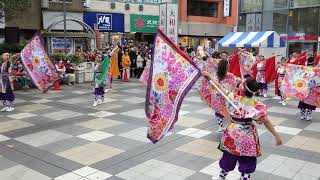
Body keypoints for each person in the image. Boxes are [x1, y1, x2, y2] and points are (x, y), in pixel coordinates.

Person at [202, 73, 282, 180]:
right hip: (249, 133)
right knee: (247, 159)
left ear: (243, 88)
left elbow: (219, 87)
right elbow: (266, 121)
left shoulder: (234, 98)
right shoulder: (258, 105)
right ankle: (244, 178)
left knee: (229, 156)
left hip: (233, 132)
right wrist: (276, 136)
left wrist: (208, 76)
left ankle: (221, 177)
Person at [298, 56, 317, 121]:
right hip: (312, 88)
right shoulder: (315, 69)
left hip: (303, 87)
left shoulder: (303, 69)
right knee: (310, 102)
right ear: (313, 62)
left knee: (303, 101)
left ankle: (302, 115)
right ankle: (308, 115)